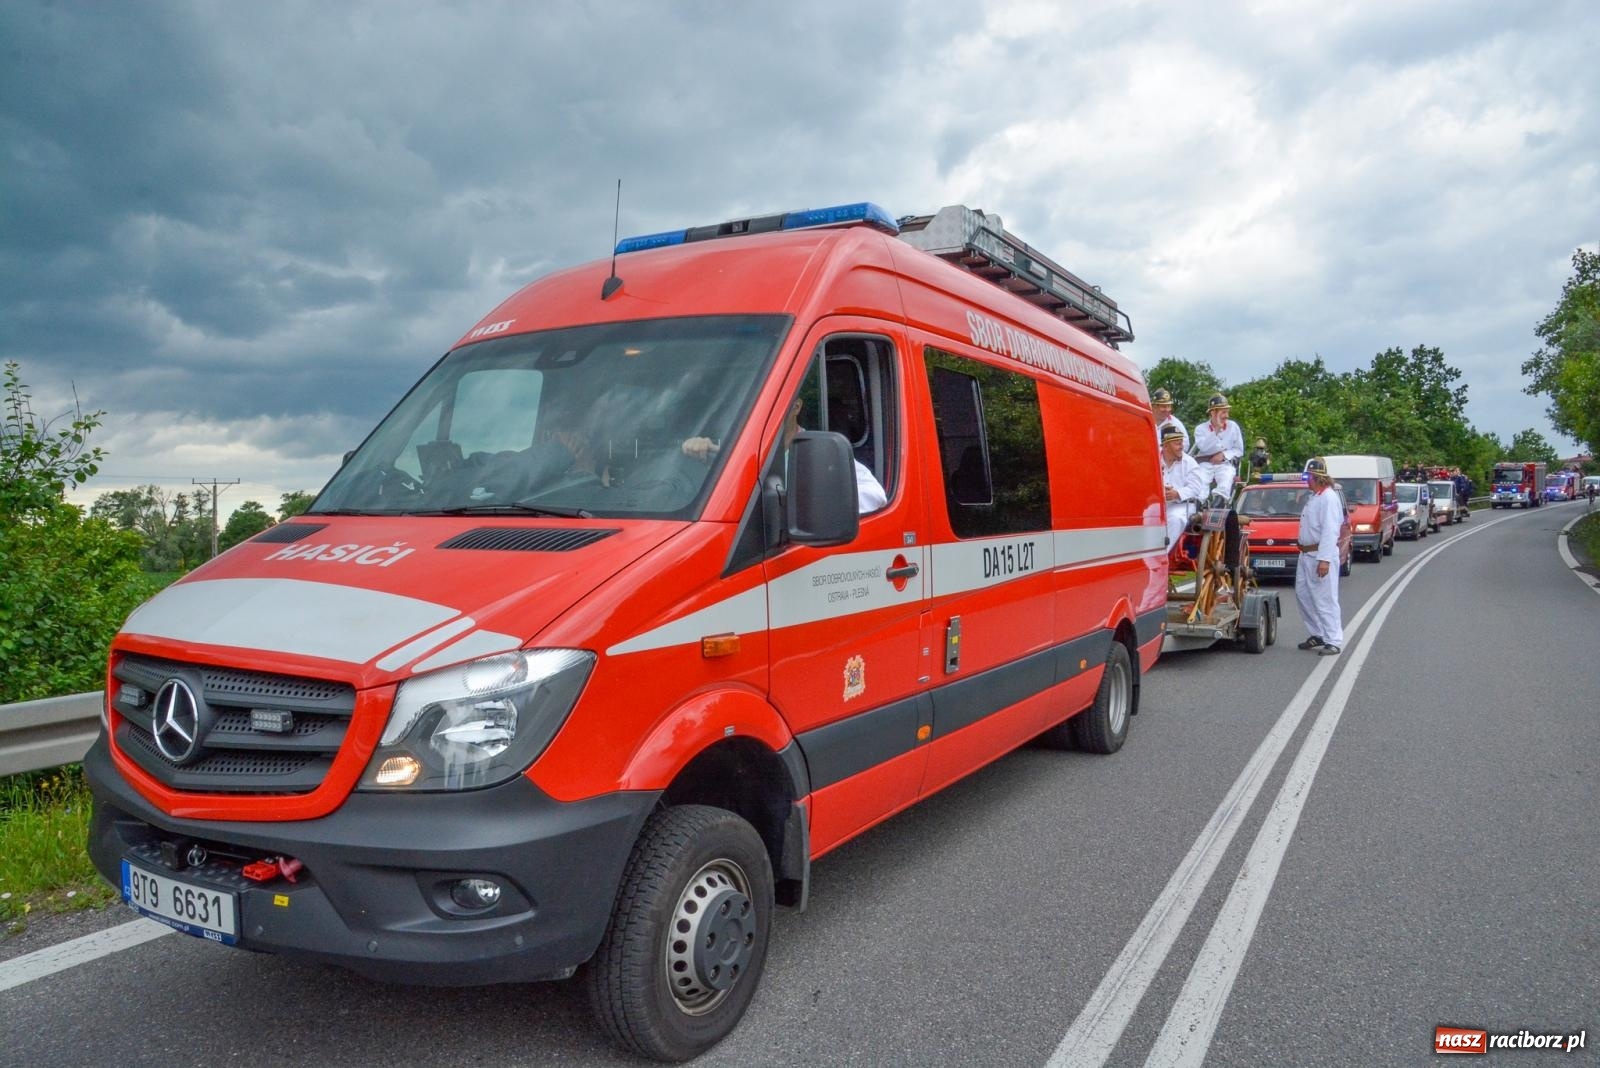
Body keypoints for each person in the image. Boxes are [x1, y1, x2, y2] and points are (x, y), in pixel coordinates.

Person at [682, 398, 887, 513]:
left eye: (774, 402)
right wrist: (699, 448)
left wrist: (813, 504)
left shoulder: (819, 450)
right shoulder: (740, 450)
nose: (766, 410)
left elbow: (875, 494)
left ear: (796, 406)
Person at [1295, 457, 1345, 656]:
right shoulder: (1315, 496)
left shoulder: (1328, 498)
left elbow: (1330, 531)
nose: (1306, 480)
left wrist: (1323, 559)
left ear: (1317, 477)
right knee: (1303, 595)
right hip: (1306, 553)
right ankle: (1318, 633)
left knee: (1325, 599)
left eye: (1308, 476)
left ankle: (1333, 639)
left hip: (1319, 554)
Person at [1160, 423, 1206, 550]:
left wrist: (1177, 493)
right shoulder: (1153, 460)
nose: (1182, 446)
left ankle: (1162, 556)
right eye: (1177, 443)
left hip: (1183, 505)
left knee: (1175, 519)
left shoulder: (1190, 462)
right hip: (1158, 505)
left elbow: (1196, 487)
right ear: (1165, 446)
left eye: (1181, 442)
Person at [1192, 393, 1244, 502]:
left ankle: (1219, 504)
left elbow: (1239, 450)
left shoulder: (1233, 427)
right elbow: (1204, 448)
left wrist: (1224, 455)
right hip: (1204, 463)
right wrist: (1217, 429)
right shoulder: (1200, 429)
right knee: (1200, 481)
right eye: (1223, 412)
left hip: (1224, 463)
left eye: (1227, 412)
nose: (1227, 416)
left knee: (1227, 476)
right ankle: (1199, 506)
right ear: (1213, 412)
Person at [1150, 387, 1189, 452]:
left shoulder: (1175, 423)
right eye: (1163, 406)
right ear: (1154, 407)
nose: (1167, 410)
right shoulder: (1145, 420)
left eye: (1169, 406)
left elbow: (1185, 444)